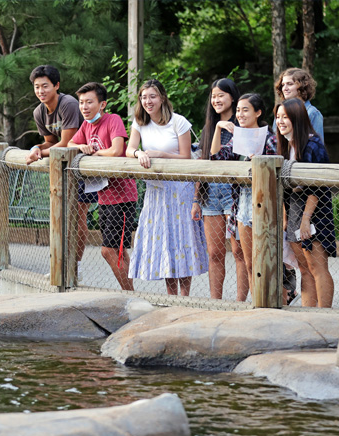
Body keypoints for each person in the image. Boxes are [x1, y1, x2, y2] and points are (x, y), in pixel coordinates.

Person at [126, 79, 208, 296]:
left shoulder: (178, 122)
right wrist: (139, 153)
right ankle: (171, 296)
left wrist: (159, 155)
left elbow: (186, 156)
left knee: (181, 239)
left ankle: (185, 296)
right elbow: (129, 149)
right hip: (155, 191)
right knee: (165, 242)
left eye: (152, 96)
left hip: (180, 190)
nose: (147, 101)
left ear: (162, 97)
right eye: (144, 97)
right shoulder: (139, 122)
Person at [68, 82, 138, 291]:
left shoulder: (112, 120)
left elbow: (117, 150)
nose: (84, 107)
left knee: (108, 251)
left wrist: (95, 153)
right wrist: (80, 146)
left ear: (102, 104)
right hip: (103, 196)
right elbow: (70, 144)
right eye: (81, 102)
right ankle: (130, 295)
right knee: (118, 252)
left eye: (89, 102)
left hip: (122, 196)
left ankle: (130, 295)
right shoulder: (86, 125)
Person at [26, 65, 94, 273]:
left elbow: (66, 143)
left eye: (45, 86)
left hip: (82, 164)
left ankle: (76, 266)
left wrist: (40, 153)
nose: (41, 91)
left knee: (78, 215)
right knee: (61, 214)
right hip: (62, 168)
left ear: (56, 85)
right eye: (37, 87)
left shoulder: (69, 104)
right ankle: (61, 264)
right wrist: (36, 148)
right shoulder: (39, 111)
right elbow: (50, 142)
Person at [210, 93, 277, 295]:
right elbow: (216, 158)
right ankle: (254, 304)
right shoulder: (237, 138)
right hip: (241, 203)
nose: (240, 114)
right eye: (238, 110)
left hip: (265, 202)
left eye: (245, 109)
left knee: (267, 261)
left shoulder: (270, 138)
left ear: (258, 112)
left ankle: (271, 301)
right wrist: (218, 128)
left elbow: (277, 168)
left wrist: (260, 160)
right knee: (248, 261)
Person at [191, 78, 248, 301]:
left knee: (239, 251)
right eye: (213, 96)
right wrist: (196, 198)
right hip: (210, 192)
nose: (216, 100)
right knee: (214, 253)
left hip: (235, 192)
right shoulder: (209, 127)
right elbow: (206, 161)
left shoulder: (242, 123)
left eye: (221, 95)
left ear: (232, 97)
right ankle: (216, 302)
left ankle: (240, 302)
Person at [275, 98, 335, 308]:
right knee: (304, 268)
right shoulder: (284, 144)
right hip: (293, 210)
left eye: (286, 117)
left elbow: (318, 186)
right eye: (278, 117)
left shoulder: (313, 144)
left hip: (314, 211)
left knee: (317, 267)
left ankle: (325, 315)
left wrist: (305, 219)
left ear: (298, 119)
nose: (280, 122)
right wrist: (285, 217)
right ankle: (307, 313)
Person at [274, 67, 324, 141]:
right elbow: (275, 142)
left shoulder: (312, 113)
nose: (285, 88)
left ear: (303, 86)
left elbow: (318, 147)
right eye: (283, 85)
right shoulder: (280, 112)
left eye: (290, 84)